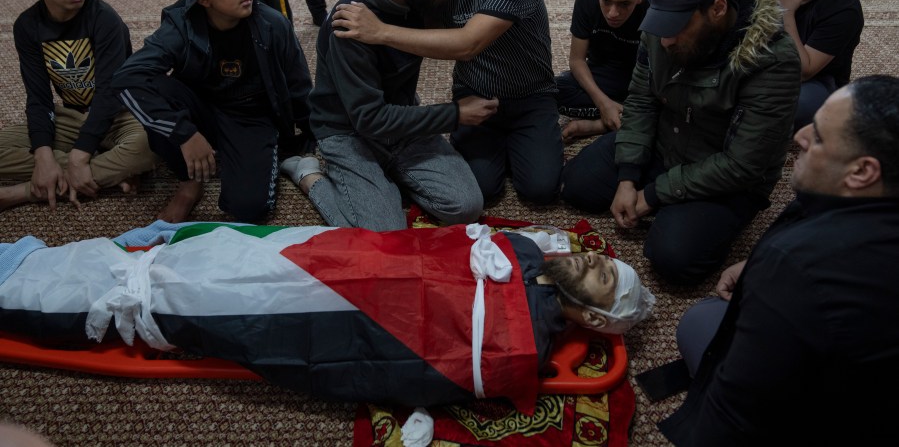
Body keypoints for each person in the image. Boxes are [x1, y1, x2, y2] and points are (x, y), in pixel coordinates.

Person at [0, 220, 655, 410]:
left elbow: (393, 364)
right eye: (602, 261)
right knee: (219, 250)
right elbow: (420, 242)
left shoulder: (518, 346)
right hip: (341, 252)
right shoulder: (519, 246)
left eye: (601, 277)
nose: (593, 261)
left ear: (594, 319)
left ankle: (25, 284)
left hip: (325, 303)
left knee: (188, 288)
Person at [658, 75, 899, 446]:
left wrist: (771, 274)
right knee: (704, 318)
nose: (799, 136)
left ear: (862, 172)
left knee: (699, 325)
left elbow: (731, 416)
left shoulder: (799, 266)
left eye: (818, 136)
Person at [562, 0, 801, 285]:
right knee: (577, 186)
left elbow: (743, 165)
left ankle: (688, 216)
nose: (666, 39)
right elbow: (642, 102)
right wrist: (629, 176)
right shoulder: (661, 29)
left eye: (676, 27)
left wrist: (654, 195)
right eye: (661, 26)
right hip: (665, 142)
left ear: (718, 10)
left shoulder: (773, 61)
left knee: (673, 259)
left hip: (724, 173)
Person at [333, 0, 563, 206]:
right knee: (482, 190)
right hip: (475, 96)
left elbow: (468, 43)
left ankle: (531, 137)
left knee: (541, 190)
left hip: (531, 97)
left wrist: (380, 31)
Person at [280, 0, 496, 231]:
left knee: (466, 207)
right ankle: (310, 175)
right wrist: (455, 114)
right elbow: (371, 119)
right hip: (350, 132)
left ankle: (384, 183)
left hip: (402, 119)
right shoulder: (347, 26)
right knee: (384, 232)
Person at [111, 0, 314, 223]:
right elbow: (126, 79)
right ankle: (189, 181)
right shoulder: (181, 25)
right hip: (199, 108)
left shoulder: (272, 25)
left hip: (250, 117)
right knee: (152, 88)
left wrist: (311, 135)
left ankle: (235, 156)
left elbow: (300, 86)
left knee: (249, 209)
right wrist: (184, 133)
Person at [0, 0, 156, 212]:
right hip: (72, 117)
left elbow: (111, 93)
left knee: (152, 144)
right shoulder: (27, 26)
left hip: (120, 115)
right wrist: (44, 156)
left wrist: (80, 155)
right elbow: (38, 97)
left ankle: (28, 191)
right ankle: (105, 172)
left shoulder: (105, 19)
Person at [775, 0, 864, 129]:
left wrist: (786, 12)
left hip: (818, 81)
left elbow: (803, 71)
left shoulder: (843, 10)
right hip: (769, 68)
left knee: (794, 106)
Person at [556, 0, 650, 142]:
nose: (613, 13)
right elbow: (577, 60)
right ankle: (619, 114)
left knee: (671, 106)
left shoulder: (651, 12)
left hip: (638, 78)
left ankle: (598, 125)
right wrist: (603, 103)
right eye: (606, 0)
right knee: (549, 90)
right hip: (601, 74)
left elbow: (657, 72)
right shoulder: (586, 1)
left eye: (624, 4)